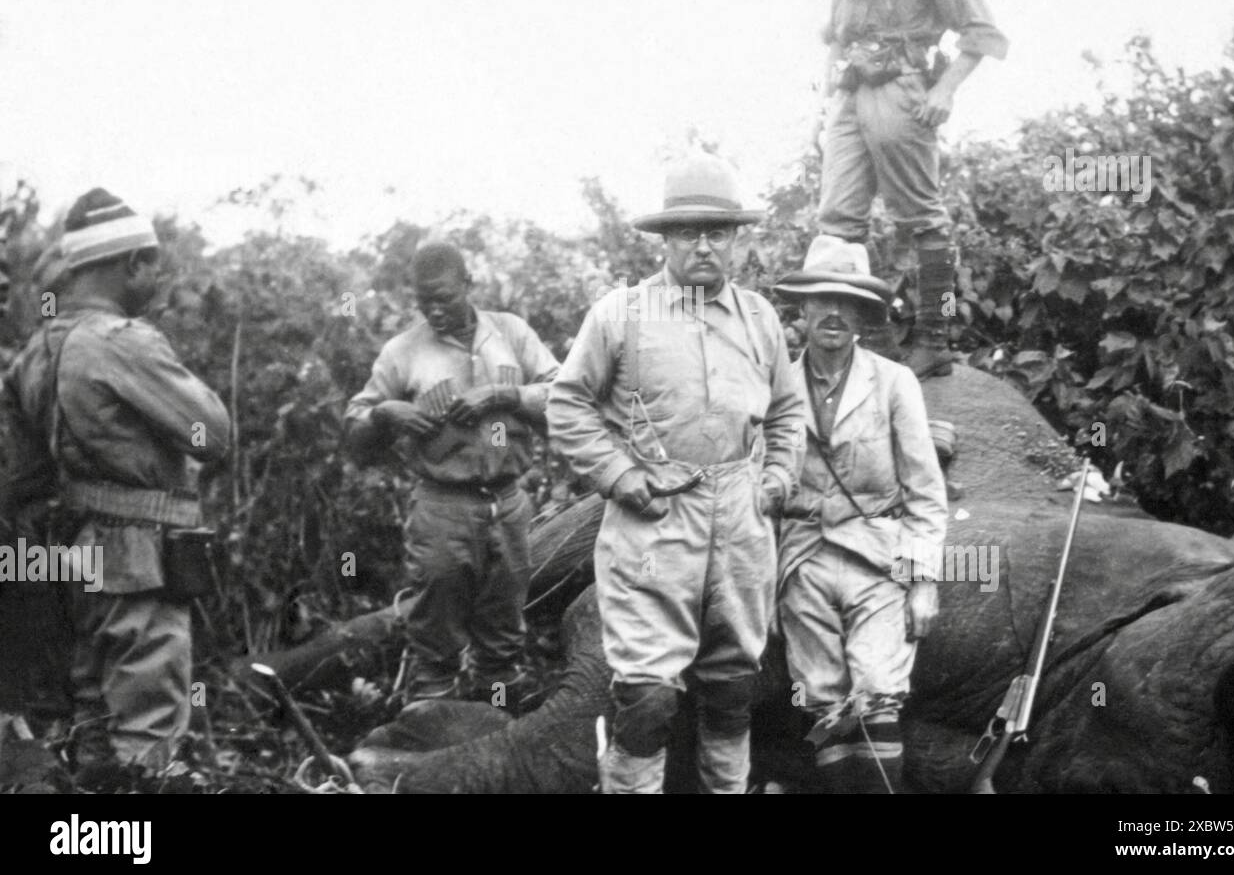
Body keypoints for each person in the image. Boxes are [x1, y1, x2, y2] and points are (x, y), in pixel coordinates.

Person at [548, 154, 804, 793]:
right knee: (647, 699)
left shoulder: (759, 319)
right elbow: (567, 402)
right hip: (654, 521)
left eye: (717, 232)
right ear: (664, 238)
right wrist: (618, 476)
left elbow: (789, 409)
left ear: (736, 239)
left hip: (741, 521)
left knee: (731, 689)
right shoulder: (621, 315)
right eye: (688, 232)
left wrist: (776, 477)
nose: (703, 246)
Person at [1, 189, 230, 775]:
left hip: (80, 557)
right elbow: (213, 434)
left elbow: (26, 480)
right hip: (142, 559)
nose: (156, 279)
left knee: (94, 718)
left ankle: (90, 829)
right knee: (148, 730)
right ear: (131, 264)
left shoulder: (34, 352)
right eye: (152, 265)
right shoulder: (121, 343)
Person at [811, 0, 1008, 378]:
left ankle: (935, 334)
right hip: (851, 90)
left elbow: (981, 33)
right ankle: (874, 340)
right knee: (836, 222)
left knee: (922, 218)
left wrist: (944, 91)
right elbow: (836, 33)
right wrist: (826, 96)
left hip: (903, 86)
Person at [345, 242, 559, 709]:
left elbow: (562, 397)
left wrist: (503, 396)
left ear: (469, 284)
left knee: (503, 636)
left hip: (507, 502)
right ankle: (430, 736)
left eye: (444, 297)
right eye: (425, 302)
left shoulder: (511, 333)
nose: (435, 310)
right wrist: (386, 413)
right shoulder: (403, 351)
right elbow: (355, 430)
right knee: (435, 636)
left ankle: (496, 723)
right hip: (444, 506)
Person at [772, 235, 948, 793]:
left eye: (847, 302)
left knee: (876, 689)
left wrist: (922, 582)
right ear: (803, 308)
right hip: (801, 559)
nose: (834, 312)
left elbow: (924, 490)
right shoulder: (776, 387)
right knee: (822, 697)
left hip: (876, 557)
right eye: (823, 299)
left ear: (862, 314)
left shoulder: (894, 382)